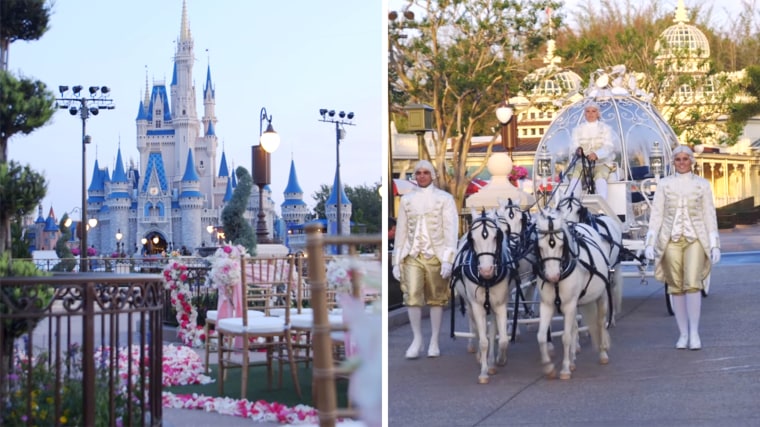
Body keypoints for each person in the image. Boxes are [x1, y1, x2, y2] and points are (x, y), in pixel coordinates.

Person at [644, 145, 720, 350]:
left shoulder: (702, 185)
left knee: (693, 283)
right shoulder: (664, 184)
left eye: (686, 159)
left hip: (695, 238)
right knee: (675, 286)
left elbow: (708, 214)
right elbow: (657, 214)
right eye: (678, 159)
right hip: (671, 239)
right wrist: (650, 241)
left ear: (692, 161)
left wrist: (714, 244)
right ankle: (683, 333)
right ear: (673, 162)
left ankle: (694, 333)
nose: (682, 162)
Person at [392, 160, 458, 359]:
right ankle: (417, 339)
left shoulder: (444, 199)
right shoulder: (407, 200)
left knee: (436, 299)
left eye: (425, 172)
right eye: (418, 173)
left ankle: (435, 340)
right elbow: (401, 231)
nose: (421, 176)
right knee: (411, 296)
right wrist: (396, 260)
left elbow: (451, 229)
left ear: (432, 175)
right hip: (412, 255)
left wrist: (448, 259)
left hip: (436, 254)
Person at [569, 101, 617, 198]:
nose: (590, 114)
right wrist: (578, 151)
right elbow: (574, 145)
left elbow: (609, 146)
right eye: (588, 111)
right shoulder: (577, 129)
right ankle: (573, 202)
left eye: (593, 111)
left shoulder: (606, 128)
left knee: (600, 175)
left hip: (602, 163)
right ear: (584, 113)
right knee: (575, 174)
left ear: (598, 113)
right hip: (582, 163)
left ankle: (602, 203)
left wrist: (597, 154)